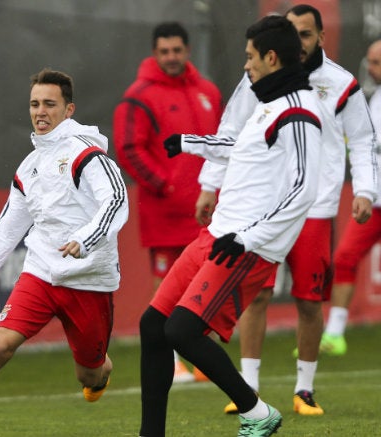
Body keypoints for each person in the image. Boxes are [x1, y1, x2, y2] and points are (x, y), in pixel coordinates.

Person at [140, 15, 323, 437]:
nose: (246, 65)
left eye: (250, 57)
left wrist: (248, 238)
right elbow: (240, 147)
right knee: (155, 325)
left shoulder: (299, 113)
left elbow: (302, 190)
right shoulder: (270, 105)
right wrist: (189, 142)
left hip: (245, 245)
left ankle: (255, 411)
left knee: (182, 331)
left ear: (271, 58)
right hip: (218, 234)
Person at [0, 68, 128, 437]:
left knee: (89, 373)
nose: (40, 112)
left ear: (69, 110)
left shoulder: (88, 154)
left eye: (50, 104)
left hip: (88, 279)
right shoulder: (28, 167)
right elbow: (4, 234)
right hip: (40, 273)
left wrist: (85, 239)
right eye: (35, 104)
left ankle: (102, 370)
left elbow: (115, 199)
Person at [196, 4, 377, 416]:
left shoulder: (341, 84)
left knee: (310, 301)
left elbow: (363, 141)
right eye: (292, 34)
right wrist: (210, 184)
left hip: (315, 208)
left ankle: (305, 390)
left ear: (321, 38)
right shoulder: (257, 78)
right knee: (255, 296)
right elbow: (230, 131)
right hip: (264, 208)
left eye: (307, 35)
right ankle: (247, 388)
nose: (299, 42)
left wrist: (364, 189)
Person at [112, 21, 223, 383]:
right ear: (154, 53)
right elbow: (129, 148)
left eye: (177, 50)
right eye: (164, 51)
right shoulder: (139, 95)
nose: (171, 57)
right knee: (166, 284)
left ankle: (201, 357)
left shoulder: (208, 91)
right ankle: (173, 362)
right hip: (165, 212)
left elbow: (224, 143)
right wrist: (165, 185)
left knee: (206, 282)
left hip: (208, 210)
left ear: (187, 50)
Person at [321, 38, 381, 356]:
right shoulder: (373, 99)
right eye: (370, 61)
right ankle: (334, 334)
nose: (370, 68)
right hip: (374, 202)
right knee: (344, 258)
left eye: (376, 62)